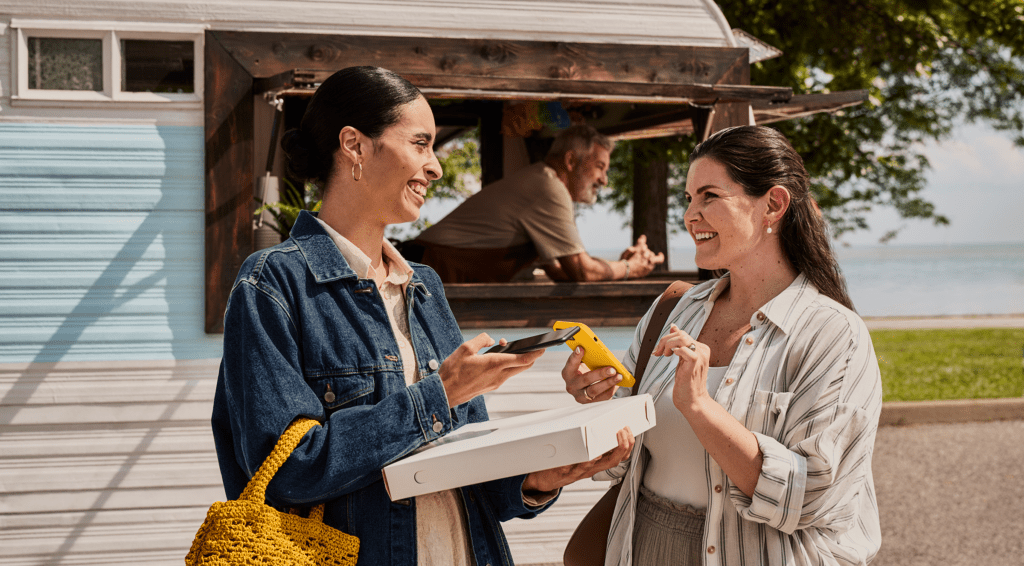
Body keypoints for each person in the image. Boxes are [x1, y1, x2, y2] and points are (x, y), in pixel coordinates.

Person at [211, 66, 634, 566]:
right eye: (420, 144)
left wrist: (539, 476)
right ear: (355, 146)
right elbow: (288, 471)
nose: (435, 167)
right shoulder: (273, 284)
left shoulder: (424, 286)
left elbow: (470, 468)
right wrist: (441, 394)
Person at [560, 125, 883, 566]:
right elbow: (620, 466)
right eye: (688, 199)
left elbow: (811, 499)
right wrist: (599, 407)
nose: (691, 215)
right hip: (643, 547)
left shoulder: (833, 335)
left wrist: (700, 408)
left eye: (709, 196)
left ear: (773, 205)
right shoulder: (672, 309)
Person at [408, 125, 665, 282]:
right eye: (600, 167)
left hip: (425, 267)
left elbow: (560, 269)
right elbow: (582, 271)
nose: (604, 180)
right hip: (426, 270)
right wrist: (630, 268)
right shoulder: (548, 188)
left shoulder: (544, 182)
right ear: (571, 160)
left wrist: (615, 266)